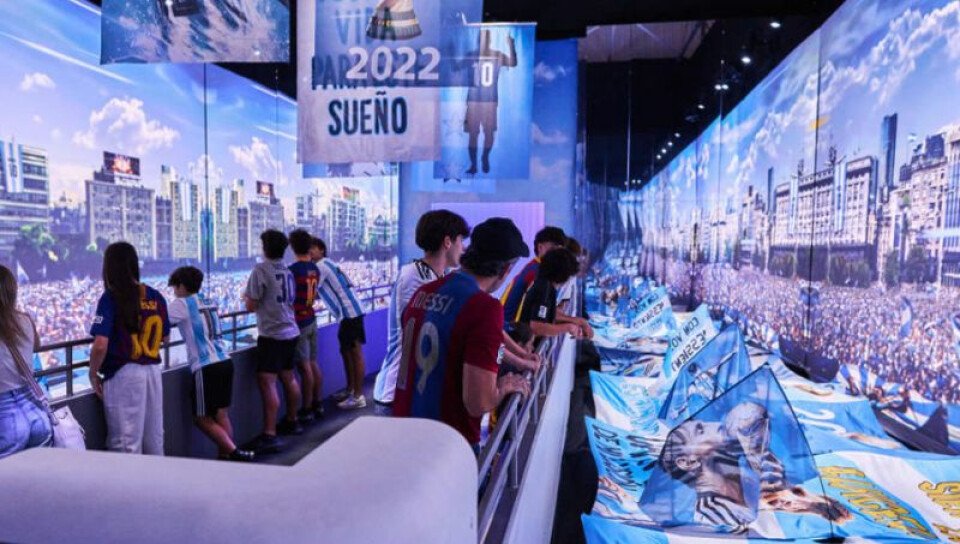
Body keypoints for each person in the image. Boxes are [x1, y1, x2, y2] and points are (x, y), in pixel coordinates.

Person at [393, 217, 532, 451]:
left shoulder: (423, 292)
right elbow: (478, 403)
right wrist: (503, 387)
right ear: (506, 269)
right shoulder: (485, 308)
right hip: (446, 445)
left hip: (404, 432)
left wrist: (517, 359)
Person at [373, 210, 470, 414]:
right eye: (461, 240)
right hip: (396, 392)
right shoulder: (415, 275)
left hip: (414, 390)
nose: (463, 247)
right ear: (447, 242)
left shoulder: (438, 276)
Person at [89, 242, 170, 454]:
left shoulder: (111, 297)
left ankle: (128, 479)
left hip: (124, 373)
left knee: (125, 443)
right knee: (154, 439)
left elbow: (100, 344)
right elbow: (166, 337)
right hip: (153, 371)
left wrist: (93, 373)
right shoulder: (155, 295)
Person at [167, 266, 254, 462]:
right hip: (225, 361)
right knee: (221, 414)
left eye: (174, 287)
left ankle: (234, 452)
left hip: (206, 366)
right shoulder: (209, 301)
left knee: (201, 418)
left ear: (181, 286)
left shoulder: (181, 304)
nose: (174, 292)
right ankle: (226, 457)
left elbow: (159, 318)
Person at [244, 230, 303, 454]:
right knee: (289, 377)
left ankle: (270, 434)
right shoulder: (287, 270)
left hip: (272, 335)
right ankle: (293, 420)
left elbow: (251, 305)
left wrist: (246, 297)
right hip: (291, 331)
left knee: (267, 382)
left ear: (265, 248)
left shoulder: (260, 270)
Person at [0, 265, 52, 459]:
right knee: (36, 473)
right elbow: (35, 346)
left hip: (5, 417)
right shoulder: (25, 320)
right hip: (35, 409)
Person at [310, 238, 368, 410]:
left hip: (350, 313)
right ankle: (351, 390)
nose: (310, 251)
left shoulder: (321, 266)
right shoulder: (328, 263)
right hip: (348, 313)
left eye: (313, 248)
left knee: (355, 353)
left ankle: (358, 396)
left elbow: (311, 291)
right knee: (346, 352)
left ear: (321, 249)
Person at [463, 29, 518, 175]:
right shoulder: (472, 55)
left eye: (485, 39)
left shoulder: (492, 55)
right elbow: (455, 67)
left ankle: (484, 157)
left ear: (489, 40)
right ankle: (474, 164)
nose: (483, 41)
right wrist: (511, 45)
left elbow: (513, 63)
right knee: (474, 135)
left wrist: (511, 45)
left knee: (487, 133)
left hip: (488, 102)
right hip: (475, 101)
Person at [287, 229, 324, 421]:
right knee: (313, 362)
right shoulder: (314, 268)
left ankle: (307, 408)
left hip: (299, 321)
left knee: (304, 367)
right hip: (311, 318)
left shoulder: (292, 270)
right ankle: (318, 403)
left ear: (292, 247)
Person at [500, 226, 567, 324]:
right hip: (511, 328)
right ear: (540, 247)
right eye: (553, 249)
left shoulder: (535, 267)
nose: (558, 256)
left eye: (561, 251)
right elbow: (536, 318)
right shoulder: (537, 272)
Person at [517, 248, 582, 339]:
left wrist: (573, 322)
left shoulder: (546, 285)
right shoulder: (544, 289)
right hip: (521, 340)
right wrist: (568, 327)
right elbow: (536, 327)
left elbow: (546, 315)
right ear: (562, 274)